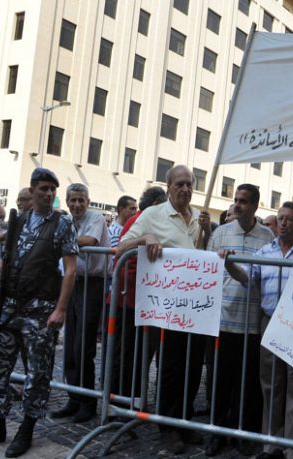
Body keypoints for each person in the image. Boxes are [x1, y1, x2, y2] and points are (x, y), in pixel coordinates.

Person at [115, 165, 211, 454]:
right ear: (168, 186)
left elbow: (200, 254)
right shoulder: (152, 215)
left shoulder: (198, 217)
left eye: (189, 184)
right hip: (167, 308)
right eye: (179, 184)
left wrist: (207, 232)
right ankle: (167, 427)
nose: (185, 189)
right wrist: (145, 239)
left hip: (196, 307)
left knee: (193, 367)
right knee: (171, 367)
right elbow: (121, 246)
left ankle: (184, 421)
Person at [0, 168, 78, 457]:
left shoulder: (62, 223)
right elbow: (4, 263)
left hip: (41, 311)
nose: (49, 194)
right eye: (44, 189)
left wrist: (60, 309)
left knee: (37, 374)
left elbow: (70, 270)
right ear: (32, 190)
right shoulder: (19, 220)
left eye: (52, 189)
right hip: (9, 308)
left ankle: (26, 429)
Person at [221, 202, 293, 459]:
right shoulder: (265, 251)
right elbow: (247, 277)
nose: (283, 223)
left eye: (289, 219)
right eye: (280, 218)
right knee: (271, 385)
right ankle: (271, 445)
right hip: (270, 321)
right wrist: (230, 265)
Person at [206, 183, 274, 456]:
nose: (237, 205)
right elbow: (208, 273)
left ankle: (243, 433)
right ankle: (217, 433)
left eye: (244, 201)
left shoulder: (268, 237)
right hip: (223, 319)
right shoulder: (220, 233)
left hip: (252, 323)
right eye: (236, 200)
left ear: (255, 206)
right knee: (220, 381)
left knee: (247, 383)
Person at [51, 183, 110, 422]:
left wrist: (60, 239)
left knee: (83, 346)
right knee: (70, 347)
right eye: (73, 200)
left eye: (81, 200)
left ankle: (87, 403)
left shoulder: (96, 218)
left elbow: (90, 240)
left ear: (88, 201)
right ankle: (74, 398)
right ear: (67, 202)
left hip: (92, 284)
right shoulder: (66, 221)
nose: (77, 204)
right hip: (72, 282)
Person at [109, 186, 166, 399]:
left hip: (137, 299)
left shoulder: (143, 219)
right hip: (132, 299)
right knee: (128, 355)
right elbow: (122, 249)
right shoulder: (143, 221)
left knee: (132, 355)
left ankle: (128, 399)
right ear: (156, 205)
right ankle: (123, 401)